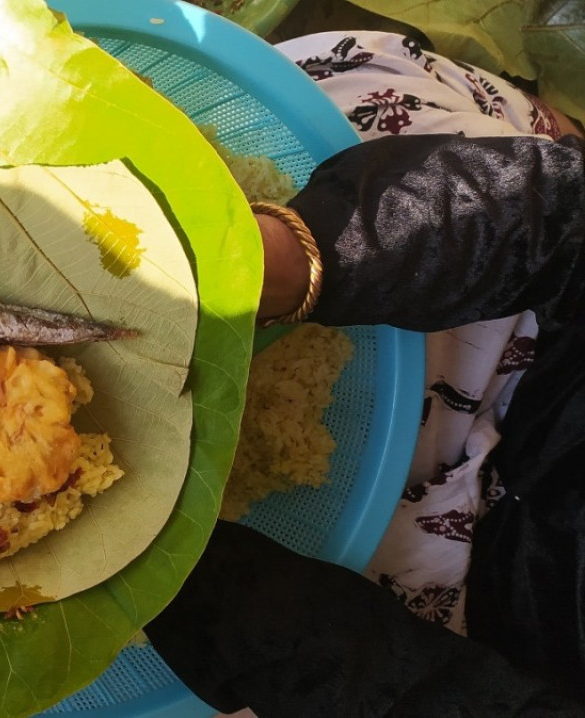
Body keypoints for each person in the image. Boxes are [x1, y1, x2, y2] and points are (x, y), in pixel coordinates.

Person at [144, 130, 585, 715]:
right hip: (542, 357)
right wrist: (304, 257)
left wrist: (184, 578)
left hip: (455, 649)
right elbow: (564, 212)